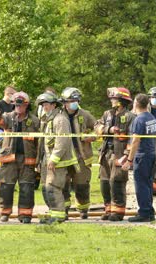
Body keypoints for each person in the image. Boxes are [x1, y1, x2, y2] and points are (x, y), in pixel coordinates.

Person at [0, 91, 39, 223]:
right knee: (6, 186)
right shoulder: (8, 117)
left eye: (21, 106)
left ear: (27, 105)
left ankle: (25, 215)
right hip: (9, 159)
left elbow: (39, 141)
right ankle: (5, 213)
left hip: (27, 159)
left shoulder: (35, 121)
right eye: (16, 105)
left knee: (26, 187)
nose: (18, 108)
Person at [36, 92, 79, 224]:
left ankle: (58, 215)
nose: (44, 107)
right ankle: (52, 213)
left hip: (58, 161)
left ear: (54, 105)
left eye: (47, 105)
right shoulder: (48, 120)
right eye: (43, 105)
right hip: (47, 160)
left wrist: (54, 158)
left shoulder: (60, 120)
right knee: (46, 188)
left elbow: (62, 141)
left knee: (54, 186)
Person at [95, 87, 135, 221]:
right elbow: (97, 127)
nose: (111, 100)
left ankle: (118, 212)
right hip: (106, 154)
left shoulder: (130, 117)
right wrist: (108, 129)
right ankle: (108, 210)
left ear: (122, 101)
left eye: (114, 98)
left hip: (119, 155)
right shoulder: (107, 114)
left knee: (117, 182)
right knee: (104, 183)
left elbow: (132, 138)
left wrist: (127, 155)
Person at [60, 87, 97, 219]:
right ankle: (63, 210)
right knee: (63, 183)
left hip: (81, 155)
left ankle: (83, 209)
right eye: (71, 100)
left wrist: (91, 136)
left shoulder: (84, 115)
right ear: (65, 102)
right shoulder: (58, 116)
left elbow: (97, 128)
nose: (74, 102)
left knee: (81, 184)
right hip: (63, 155)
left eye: (76, 100)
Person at [122, 94, 156, 222]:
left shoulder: (139, 120)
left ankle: (144, 213)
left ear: (136, 103)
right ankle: (149, 211)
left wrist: (129, 160)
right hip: (151, 154)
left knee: (141, 184)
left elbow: (135, 141)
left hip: (142, 156)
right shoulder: (151, 117)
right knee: (148, 184)